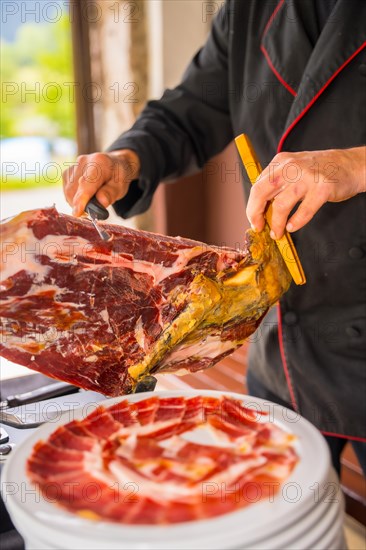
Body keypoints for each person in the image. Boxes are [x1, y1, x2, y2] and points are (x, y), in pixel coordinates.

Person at [63, 0, 366, 475]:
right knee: (271, 517)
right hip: (287, 342)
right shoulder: (249, 10)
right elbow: (190, 110)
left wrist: (357, 163)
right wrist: (127, 158)